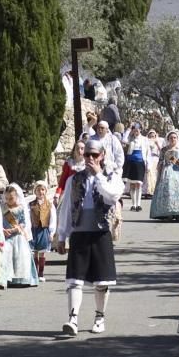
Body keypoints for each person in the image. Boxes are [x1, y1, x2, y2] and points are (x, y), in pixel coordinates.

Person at [55, 139, 124, 336]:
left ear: (102, 155)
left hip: (101, 232)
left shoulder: (111, 176)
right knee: (75, 280)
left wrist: (98, 175)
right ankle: (73, 318)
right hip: (80, 232)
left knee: (102, 281)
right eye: (87, 155)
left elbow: (112, 196)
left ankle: (99, 317)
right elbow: (67, 208)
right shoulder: (73, 179)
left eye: (94, 155)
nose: (90, 158)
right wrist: (62, 235)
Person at [1, 184, 38, 287]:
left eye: (11, 198)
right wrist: (2, 230)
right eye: (7, 198)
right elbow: (0, 221)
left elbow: (23, 222)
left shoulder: (20, 208)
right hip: (7, 236)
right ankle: (8, 278)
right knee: (7, 255)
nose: (9, 200)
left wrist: (18, 228)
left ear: (16, 196)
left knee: (20, 256)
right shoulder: (3, 208)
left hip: (18, 235)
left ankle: (21, 279)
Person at [150, 149, 179, 220]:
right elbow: (160, 161)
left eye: (174, 137)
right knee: (167, 191)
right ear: (168, 139)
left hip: (178, 171)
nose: (173, 139)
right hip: (167, 171)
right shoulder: (164, 149)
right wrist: (161, 167)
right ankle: (168, 213)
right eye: (171, 138)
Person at [29, 181, 56, 282]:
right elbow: (28, 218)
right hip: (34, 230)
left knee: (42, 252)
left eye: (43, 189)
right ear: (35, 192)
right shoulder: (31, 204)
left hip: (44, 229)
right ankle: (35, 272)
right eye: (38, 190)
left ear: (46, 191)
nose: (41, 192)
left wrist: (52, 232)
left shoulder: (50, 205)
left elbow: (53, 219)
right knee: (35, 251)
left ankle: (41, 272)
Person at [123, 123, 151, 212]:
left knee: (139, 183)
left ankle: (138, 204)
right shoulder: (130, 138)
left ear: (140, 130)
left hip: (140, 162)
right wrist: (128, 129)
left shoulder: (144, 139)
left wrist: (148, 165)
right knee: (132, 184)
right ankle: (133, 204)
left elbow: (148, 152)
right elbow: (124, 140)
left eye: (138, 129)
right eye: (134, 130)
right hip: (131, 162)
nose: (136, 131)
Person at [143, 129, 162, 198]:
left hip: (155, 159)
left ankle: (153, 191)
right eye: (150, 135)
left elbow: (161, 151)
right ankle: (147, 191)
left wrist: (157, 144)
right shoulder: (146, 141)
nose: (152, 136)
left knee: (154, 175)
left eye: (153, 135)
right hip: (148, 158)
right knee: (148, 174)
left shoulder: (158, 141)